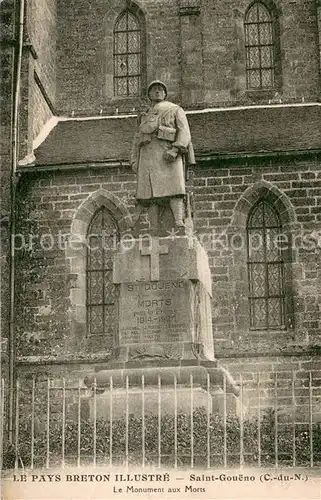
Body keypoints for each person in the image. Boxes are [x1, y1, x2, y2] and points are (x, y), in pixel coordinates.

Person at [130, 80, 194, 228]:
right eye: (154, 90)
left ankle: (178, 220)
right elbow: (136, 139)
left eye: (160, 89)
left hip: (168, 155)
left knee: (174, 189)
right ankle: (153, 226)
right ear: (149, 95)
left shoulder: (175, 109)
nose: (157, 91)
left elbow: (184, 132)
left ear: (165, 94)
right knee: (150, 194)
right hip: (147, 157)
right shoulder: (143, 116)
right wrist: (133, 160)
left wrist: (175, 150)